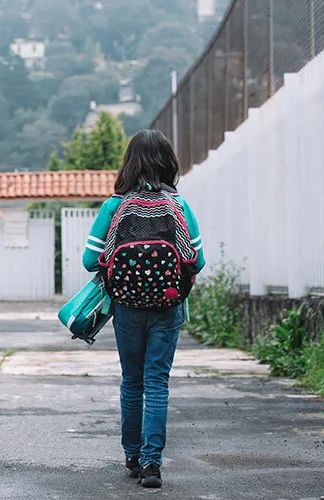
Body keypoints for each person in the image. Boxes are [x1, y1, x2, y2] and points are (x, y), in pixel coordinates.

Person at [82, 129, 205, 489]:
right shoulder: (179, 205)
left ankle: (132, 456)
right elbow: (197, 260)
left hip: (127, 308)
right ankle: (153, 465)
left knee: (132, 380)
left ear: (129, 163)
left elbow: (91, 260)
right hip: (168, 307)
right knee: (157, 382)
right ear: (169, 163)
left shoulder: (114, 206)